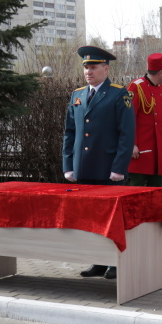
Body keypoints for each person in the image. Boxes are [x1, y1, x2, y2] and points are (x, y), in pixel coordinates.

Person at [64, 45, 136, 280]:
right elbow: (70, 133)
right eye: (86, 67)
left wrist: (119, 167)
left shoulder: (118, 94)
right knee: (90, 219)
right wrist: (68, 165)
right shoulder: (77, 94)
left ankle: (114, 263)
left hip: (108, 169)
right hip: (83, 168)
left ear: (106, 68)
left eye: (93, 67)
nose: (88, 71)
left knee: (112, 220)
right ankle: (97, 261)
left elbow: (126, 134)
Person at [128, 53, 162, 187]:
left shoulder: (161, 88)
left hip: (156, 147)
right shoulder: (136, 87)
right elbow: (128, 118)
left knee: (156, 188)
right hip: (140, 149)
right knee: (137, 188)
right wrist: (131, 144)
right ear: (160, 72)